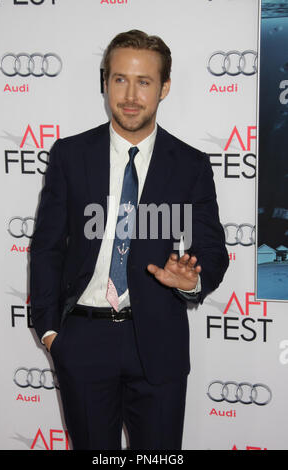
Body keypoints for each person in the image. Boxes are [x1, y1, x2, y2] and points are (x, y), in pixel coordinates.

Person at [30, 30, 228, 450]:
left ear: (164, 87)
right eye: (120, 79)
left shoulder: (191, 165)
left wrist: (189, 280)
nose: (131, 95)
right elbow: (47, 247)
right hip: (83, 339)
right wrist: (50, 332)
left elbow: (211, 250)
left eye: (144, 81)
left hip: (158, 340)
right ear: (105, 83)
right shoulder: (69, 155)